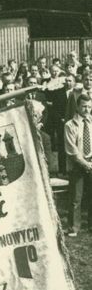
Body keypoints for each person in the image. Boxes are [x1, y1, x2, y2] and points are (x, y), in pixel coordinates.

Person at [64, 94, 92, 237]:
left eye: (89, 106)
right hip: (77, 164)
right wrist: (86, 164)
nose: (87, 109)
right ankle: (73, 228)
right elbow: (71, 151)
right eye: (84, 106)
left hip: (91, 161)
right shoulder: (70, 125)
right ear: (78, 106)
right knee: (76, 197)